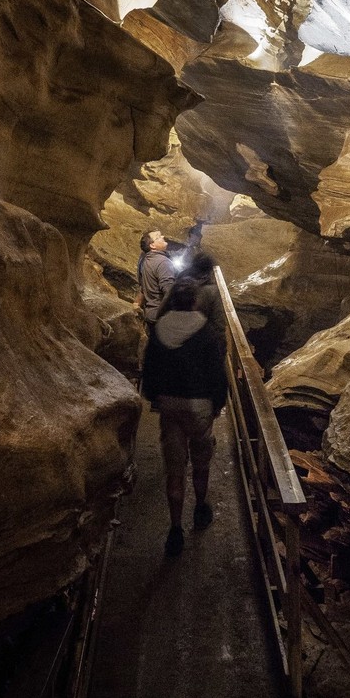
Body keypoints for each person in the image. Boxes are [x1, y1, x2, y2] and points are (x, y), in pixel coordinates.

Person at [141, 278, 228, 557]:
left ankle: (175, 529)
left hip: (169, 404)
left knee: (174, 469)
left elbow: (149, 368)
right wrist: (218, 403)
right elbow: (217, 371)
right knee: (201, 462)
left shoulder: (159, 330)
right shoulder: (206, 332)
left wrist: (154, 397)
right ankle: (200, 509)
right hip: (199, 404)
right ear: (194, 301)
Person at [134, 228, 175, 325]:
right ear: (152, 245)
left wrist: (136, 305)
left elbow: (143, 288)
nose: (163, 237)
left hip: (150, 315)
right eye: (158, 237)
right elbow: (170, 292)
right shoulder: (163, 262)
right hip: (162, 318)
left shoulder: (146, 261)